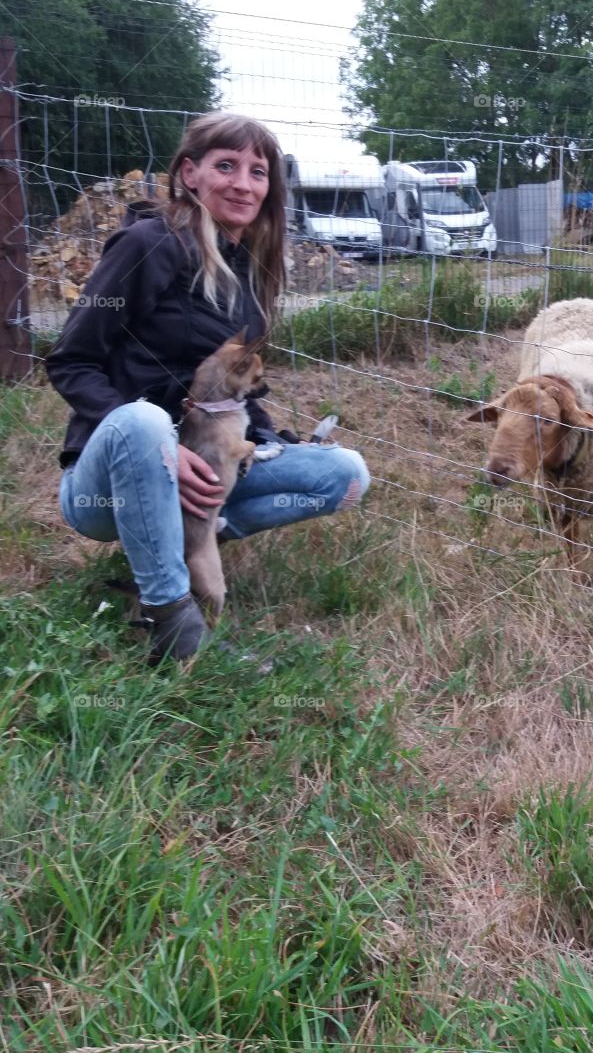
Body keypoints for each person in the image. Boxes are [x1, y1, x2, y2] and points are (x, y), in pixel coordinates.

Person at [46, 112, 370, 665]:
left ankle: (178, 545)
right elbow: (71, 361)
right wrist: (163, 448)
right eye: (227, 166)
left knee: (344, 475)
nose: (243, 183)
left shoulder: (250, 269)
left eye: (258, 172)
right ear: (191, 174)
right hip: (110, 479)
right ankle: (173, 622)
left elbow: (234, 392)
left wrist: (271, 437)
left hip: (201, 468)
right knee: (147, 421)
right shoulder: (148, 244)